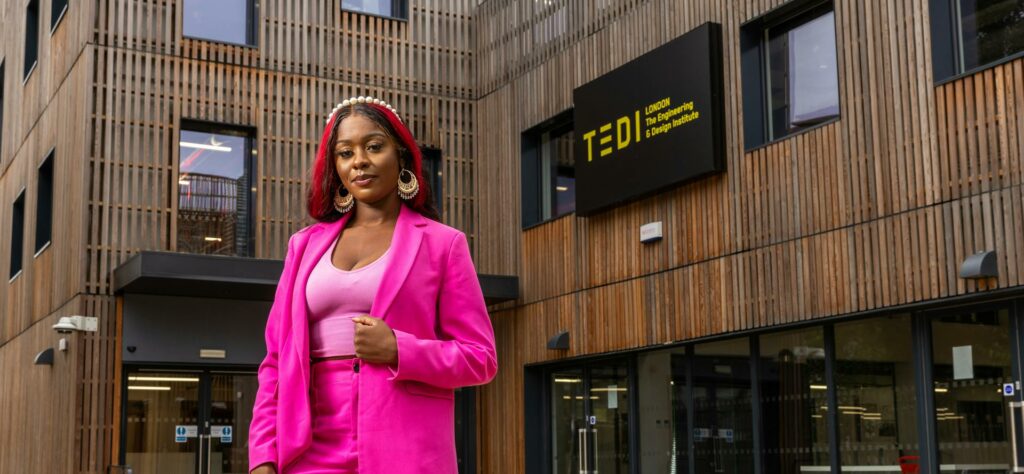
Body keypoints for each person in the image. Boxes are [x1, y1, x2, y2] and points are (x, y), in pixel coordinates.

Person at [248, 96, 498, 474]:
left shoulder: (444, 244)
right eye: (345, 153)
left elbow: (480, 358)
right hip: (307, 447)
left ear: (400, 155)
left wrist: (400, 349)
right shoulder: (304, 246)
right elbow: (275, 362)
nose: (359, 161)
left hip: (405, 447)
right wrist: (263, 456)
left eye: (374, 147)